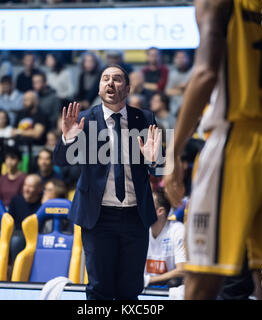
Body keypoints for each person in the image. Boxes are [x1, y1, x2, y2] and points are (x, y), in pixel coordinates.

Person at [164, 0, 262, 300]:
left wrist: (172, 152)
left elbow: (205, 73)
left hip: (237, 145)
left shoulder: (220, 3)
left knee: (203, 273)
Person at [53, 64, 163, 300]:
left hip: (136, 217)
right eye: (105, 79)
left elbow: (160, 169)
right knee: (99, 289)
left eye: (117, 79)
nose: (110, 83)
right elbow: (61, 161)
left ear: (128, 87)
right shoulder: (83, 119)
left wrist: (155, 160)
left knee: (130, 291)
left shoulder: (144, 118)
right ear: (100, 86)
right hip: (98, 217)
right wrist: (67, 139)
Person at [144, 187, 186, 289]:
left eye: (147, 204)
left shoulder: (178, 230)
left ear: (160, 211)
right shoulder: (140, 230)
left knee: (175, 283)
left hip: (169, 290)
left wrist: (149, 280)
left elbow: (182, 270)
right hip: (143, 289)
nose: (142, 207)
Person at [8, 174, 43, 263]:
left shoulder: (43, 203)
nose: (26, 189)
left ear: (39, 189)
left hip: (36, 235)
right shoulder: (15, 200)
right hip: (17, 233)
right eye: (25, 185)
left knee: (16, 240)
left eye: (30, 186)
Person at [165, 50, 193, 116]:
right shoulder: (172, 74)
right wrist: (182, 89)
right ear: (174, 60)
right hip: (176, 109)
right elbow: (168, 91)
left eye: (183, 57)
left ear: (188, 58)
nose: (181, 60)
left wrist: (177, 87)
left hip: (191, 105)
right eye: (178, 58)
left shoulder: (194, 72)